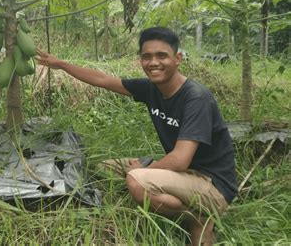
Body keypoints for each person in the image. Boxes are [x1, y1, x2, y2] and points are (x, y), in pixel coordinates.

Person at [35, 27, 238, 246]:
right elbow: (103, 79)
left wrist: (142, 171)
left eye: (162, 56)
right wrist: (61, 64)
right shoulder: (151, 88)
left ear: (178, 58)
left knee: (136, 181)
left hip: (211, 185)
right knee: (103, 168)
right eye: (147, 56)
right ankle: (178, 203)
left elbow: (180, 159)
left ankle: (196, 218)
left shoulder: (196, 98)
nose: (153, 62)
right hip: (183, 174)